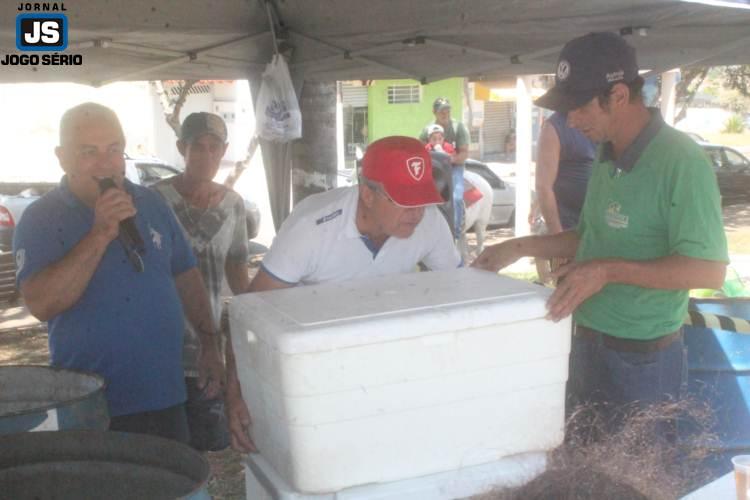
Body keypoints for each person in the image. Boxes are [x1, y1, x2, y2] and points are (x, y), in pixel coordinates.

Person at [473, 32, 728, 437]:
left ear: (619, 96)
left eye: (579, 107)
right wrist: (517, 247)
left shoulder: (682, 161)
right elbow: (590, 237)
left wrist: (607, 272)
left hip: (643, 362)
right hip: (585, 342)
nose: (571, 120)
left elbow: (708, 271)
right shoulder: (606, 155)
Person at [226, 136, 461, 451]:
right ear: (367, 194)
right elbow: (248, 314)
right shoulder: (312, 229)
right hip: (312, 363)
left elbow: (462, 292)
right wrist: (238, 392)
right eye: (404, 199)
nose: (416, 213)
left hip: (388, 359)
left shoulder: (428, 223)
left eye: (422, 198)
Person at [13, 103, 224, 444]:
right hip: (91, 402)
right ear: (62, 157)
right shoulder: (40, 219)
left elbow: (185, 273)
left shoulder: (151, 203)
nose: (106, 162)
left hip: (164, 393)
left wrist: (211, 343)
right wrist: (100, 232)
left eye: (114, 150)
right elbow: (42, 304)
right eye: (89, 152)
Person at [152, 112, 250, 452]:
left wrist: (257, 313)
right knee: (163, 446)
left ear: (224, 151)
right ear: (182, 148)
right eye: (197, 147)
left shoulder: (234, 206)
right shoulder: (153, 202)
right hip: (158, 347)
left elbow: (237, 268)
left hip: (205, 349)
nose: (206, 156)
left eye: (214, 148)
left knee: (204, 446)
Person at [533, 112, 596, 282]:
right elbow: (543, 186)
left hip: (602, 232)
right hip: (569, 230)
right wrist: (558, 239)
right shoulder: (554, 126)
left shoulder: (606, 121)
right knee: (569, 298)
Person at [419, 98, 470, 237]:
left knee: (457, 197)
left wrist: (450, 160)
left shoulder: (458, 127)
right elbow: (420, 149)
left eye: (447, 110)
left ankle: (456, 231)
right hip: (434, 167)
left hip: (454, 167)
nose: (445, 113)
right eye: (442, 110)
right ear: (434, 112)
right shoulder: (427, 130)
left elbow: (464, 152)